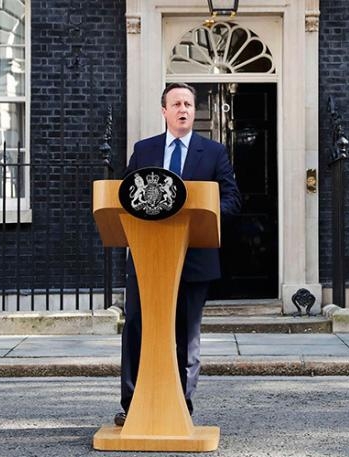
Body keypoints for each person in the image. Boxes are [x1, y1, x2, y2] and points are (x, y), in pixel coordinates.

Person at [116, 82, 241, 426]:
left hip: (193, 259)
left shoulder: (213, 152)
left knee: (186, 336)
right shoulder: (144, 150)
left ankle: (181, 407)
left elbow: (232, 199)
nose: (183, 109)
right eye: (176, 104)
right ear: (164, 111)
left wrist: (201, 213)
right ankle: (132, 405)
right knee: (137, 329)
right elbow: (124, 199)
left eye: (188, 103)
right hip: (146, 259)